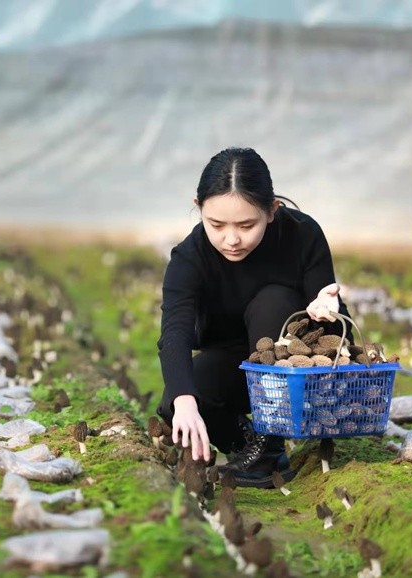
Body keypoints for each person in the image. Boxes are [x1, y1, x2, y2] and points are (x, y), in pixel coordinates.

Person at [156, 147, 351, 488]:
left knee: (273, 300)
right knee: (177, 400)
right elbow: (175, 331)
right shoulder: (190, 258)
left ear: (272, 211)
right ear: (199, 207)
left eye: (247, 225)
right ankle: (253, 445)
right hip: (232, 364)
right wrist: (184, 402)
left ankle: (271, 440)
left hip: (292, 372)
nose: (231, 239)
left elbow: (338, 329)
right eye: (216, 224)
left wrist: (327, 312)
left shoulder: (302, 236)